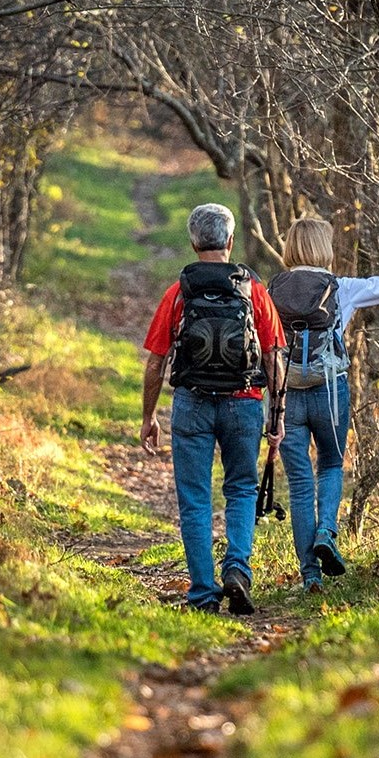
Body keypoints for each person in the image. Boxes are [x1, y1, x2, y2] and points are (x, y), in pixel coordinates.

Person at [271, 217, 379, 593]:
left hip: (287, 391)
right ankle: (327, 532)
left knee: (299, 484)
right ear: (324, 249)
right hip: (330, 389)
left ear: (291, 249)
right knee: (331, 463)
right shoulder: (340, 288)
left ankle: (310, 575)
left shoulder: (272, 290)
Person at [140, 204, 286, 615]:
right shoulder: (253, 291)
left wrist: (149, 417)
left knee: (195, 498)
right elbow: (274, 357)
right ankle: (237, 567)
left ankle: (204, 593)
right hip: (244, 403)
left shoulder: (179, 291)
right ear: (230, 241)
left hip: (192, 403)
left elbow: (155, 361)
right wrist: (278, 415)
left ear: (193, 242)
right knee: (241, 488)